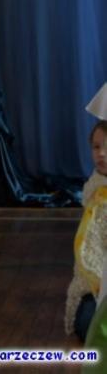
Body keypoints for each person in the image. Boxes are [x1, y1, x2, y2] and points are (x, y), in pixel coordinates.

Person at [67, 120, 107, 340]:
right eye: (96, 146)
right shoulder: (94, 190)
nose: (101, 153)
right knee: (89, 324)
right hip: (96, 283)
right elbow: (90, 247)